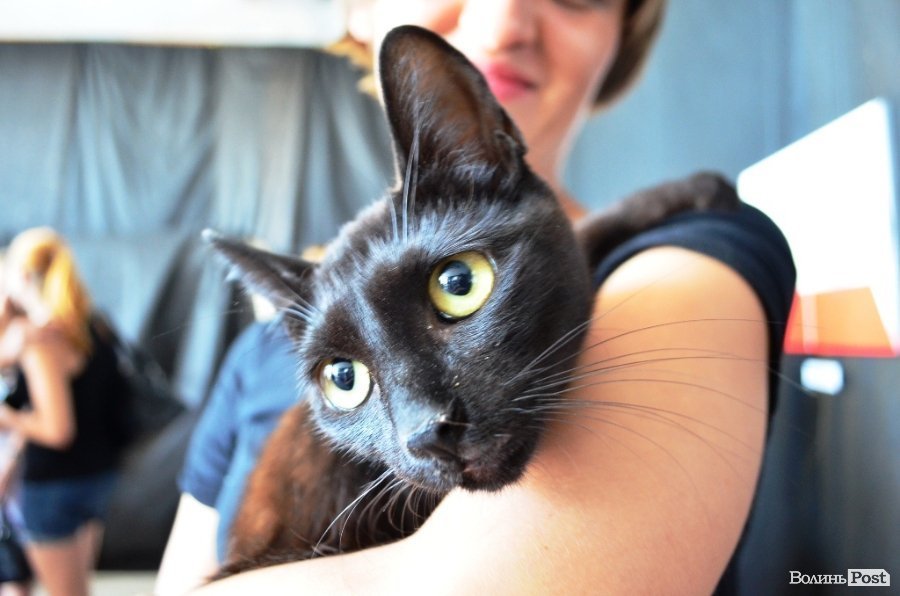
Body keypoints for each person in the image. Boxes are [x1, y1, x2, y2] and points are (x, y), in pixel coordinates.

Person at [164, 1, 796, 593]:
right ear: (361, 10)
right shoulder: (254, 359)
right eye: (345, 379)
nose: (503, 23)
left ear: (623, 34)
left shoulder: (686, 260)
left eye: (458, 287)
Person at [0, 228, 126, 596]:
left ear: (23, 276)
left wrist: (7, 417)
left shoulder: (41, 340)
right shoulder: (93, 326)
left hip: (53, 487)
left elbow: (58, 430)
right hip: (98, 476)